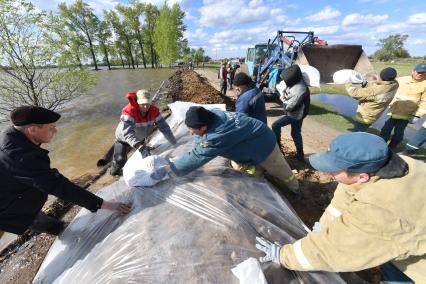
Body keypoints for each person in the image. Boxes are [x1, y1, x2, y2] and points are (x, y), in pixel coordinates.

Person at [256, 132, 425, 283]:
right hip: (406, 226)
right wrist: (324, 225)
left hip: (419, 261)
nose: (329, 173)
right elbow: (346, 194)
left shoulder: (379, 212)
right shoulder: (393, 164)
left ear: (362, 177)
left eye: (334, 170)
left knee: (400, 273)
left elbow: (333, 251)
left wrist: (284, 256)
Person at [0, 106, 131, 236]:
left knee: (33, 217)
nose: (55, 131)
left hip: (17, 196)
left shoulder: (11, 135)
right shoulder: (21, 157)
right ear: (32, 129)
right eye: (51, 127)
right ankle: (60, 230)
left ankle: (58, 228)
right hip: (7, 206)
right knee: (26, 218)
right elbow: (59, 186)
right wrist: (104, 205)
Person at [150, 106, 300, 194]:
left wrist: (171, 168)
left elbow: (198, 155)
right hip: (248, 141)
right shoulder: (213, 114)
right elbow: (200, 140)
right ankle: (260, 183)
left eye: (192, 130)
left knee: (281, 170)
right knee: (252, 170)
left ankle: (295, 189)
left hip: (264, 145)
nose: (190, 133)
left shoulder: (218, 135)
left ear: (203, 127)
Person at [110, 89, 177, 176]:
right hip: (123, 139)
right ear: (137, 102)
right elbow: (127, 133)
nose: (145, 107)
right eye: (142, 104)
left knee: (145, 158)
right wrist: (140, 146)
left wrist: (174, 142)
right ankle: (113, 173)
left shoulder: (154, 111)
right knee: (120, 159)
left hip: (140, 138)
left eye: (147, 103)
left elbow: (164, 128)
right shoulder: (129, 111)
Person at [380, 63, 426, 149]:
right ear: (413, 71)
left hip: (406, 115)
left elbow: (424, 102)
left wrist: (417, 115)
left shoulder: (425, 84)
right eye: (418, 72)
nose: (420, 74)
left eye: (423, 73)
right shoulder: (401, 80)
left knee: (398, 134)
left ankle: (391, 149)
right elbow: (388, 88)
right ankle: (380, 147)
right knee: (385, 130)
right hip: (393, 111)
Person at [271, 64, 310, 160]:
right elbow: (288, 91)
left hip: (296, 114)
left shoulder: (300, 89)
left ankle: (278, 149)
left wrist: (283, 102)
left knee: (275, 125)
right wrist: (283, 93)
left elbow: (291, 107)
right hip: (298, 113)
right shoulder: (295, 83)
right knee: (295, 132)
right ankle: (300, 153)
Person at [345, 67, 399, 132]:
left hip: (365, 117)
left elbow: (354, 93)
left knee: (356, 134)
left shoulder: (376, 91)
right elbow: (381, 84)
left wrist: (347, 82)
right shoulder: (395, 84)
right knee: (361, 131)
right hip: (375, 115)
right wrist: (367, 82)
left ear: (381, 77)